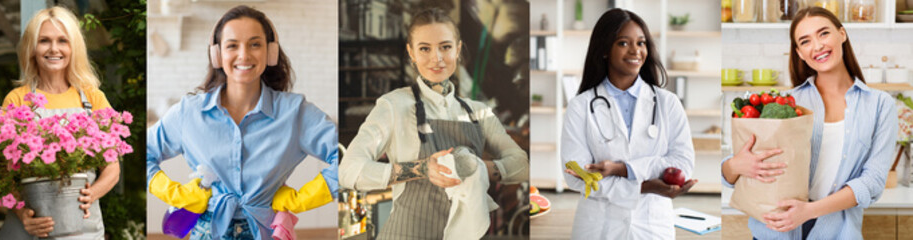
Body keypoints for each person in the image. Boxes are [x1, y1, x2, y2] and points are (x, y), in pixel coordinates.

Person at [146, 5, 340, 240]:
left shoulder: (295, 113)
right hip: (208, 232)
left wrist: (303, 198)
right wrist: (176, 194)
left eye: (255, 44)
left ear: (270, 52)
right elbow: (143, 153)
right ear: (217, 55)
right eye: (232, 45)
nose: (244, 55)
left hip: (266, 231)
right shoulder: (189, 113)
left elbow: (345, 158)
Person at [338, 8, 528, 239]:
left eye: (445, 47)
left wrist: (481, 169)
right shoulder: (393, 106)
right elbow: (349, 171)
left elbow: (521, 164)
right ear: (411, 53)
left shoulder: (478, 112)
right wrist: (421, 169)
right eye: (425, 48)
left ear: (458, 50)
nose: (436, 58)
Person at [721, 7, 896, 239]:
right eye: (805, 41)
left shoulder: (879, 105)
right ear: (800, 53)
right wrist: (735, 166)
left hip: (836, 232)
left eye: (823, 34)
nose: (817, 46)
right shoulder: (788, 103)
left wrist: (808, 211)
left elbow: (873, 182)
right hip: (773, 231)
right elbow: (732, 174)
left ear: (842, 34)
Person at [559, 8, 698, 239]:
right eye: (624, 43)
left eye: (641, 43)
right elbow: (577, 176)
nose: (635, 50)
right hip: (598, 227)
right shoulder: (580, 106)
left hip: (653, 227)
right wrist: (645, 186)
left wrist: (623, 170)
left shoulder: (667, 103)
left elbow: (682, 164)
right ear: (605, 49)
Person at [0, 6, 120, 239]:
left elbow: (112, 169)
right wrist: (24, 216)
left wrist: (90, 195)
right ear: (32, 49)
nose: (54, 49)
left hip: (81, 226)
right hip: (30, 227)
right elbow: (2, 173)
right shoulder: (17, 99)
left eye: (63, 40)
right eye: (44, 41)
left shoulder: (93, 99)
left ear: (74, 48)